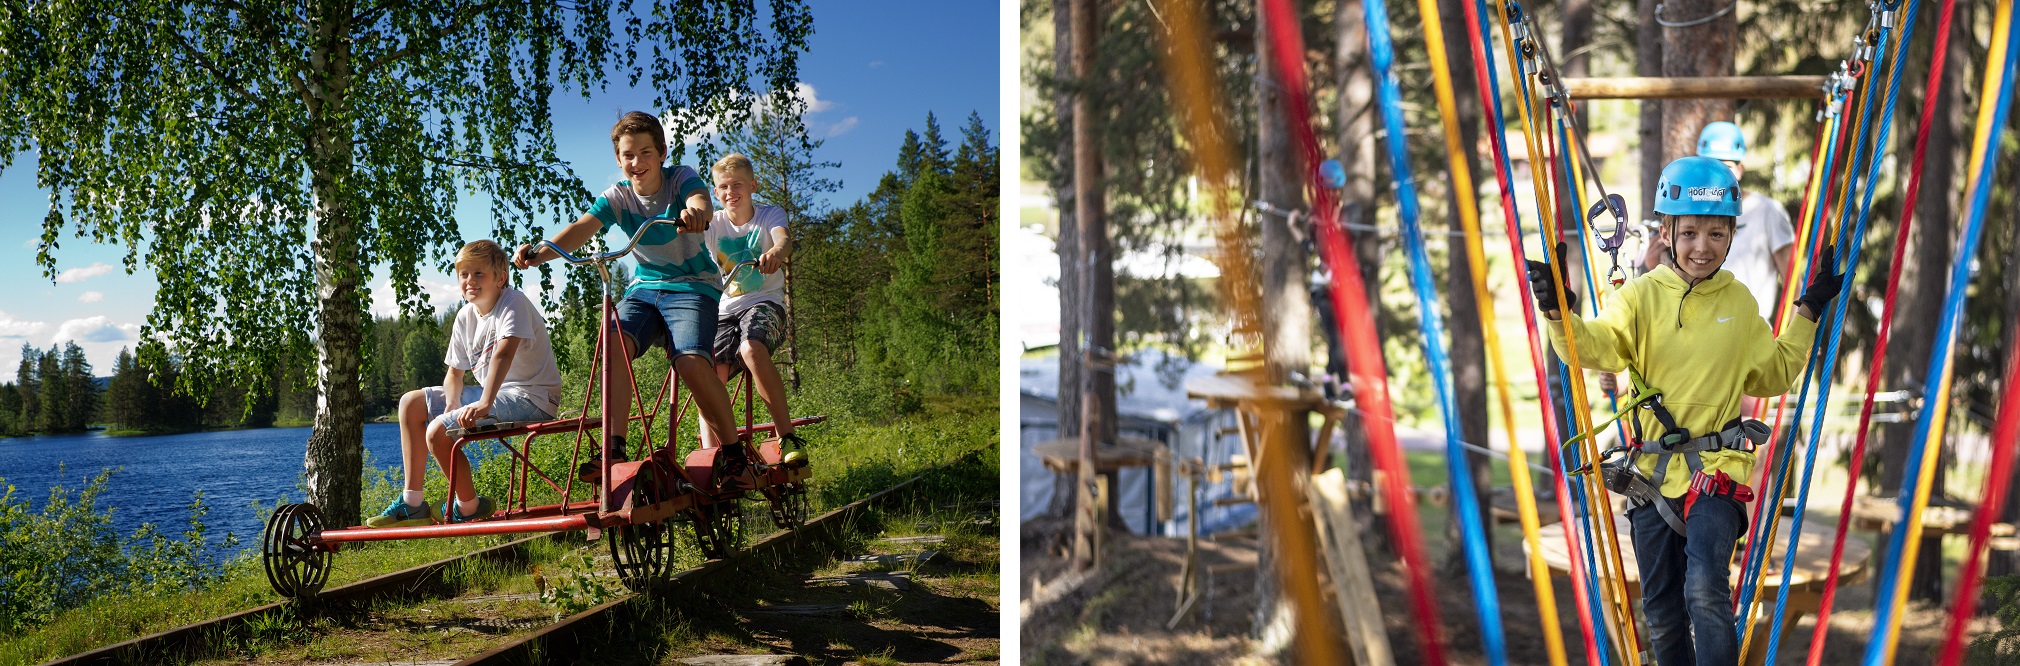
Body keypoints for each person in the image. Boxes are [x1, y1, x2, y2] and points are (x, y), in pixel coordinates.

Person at [1526, 156, 1841, 666]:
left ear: (1732, 235)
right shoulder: (1640, 298)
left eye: (1717, 234)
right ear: (1667, 231)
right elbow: (1594, 347)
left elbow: (1776, 371)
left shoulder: (1738, 304)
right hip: (1651, 476)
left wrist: (1808, 309)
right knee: (1663, 613)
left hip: (1716, 473)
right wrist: (1559, 311)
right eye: (1689, 232)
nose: (1702, 247)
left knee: (1705, 593)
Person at [513, 111, 746, 487]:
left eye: (645, 152)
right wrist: (541, 252)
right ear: (618, 160)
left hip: (692, 286)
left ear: (662, 152)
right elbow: (580, 230)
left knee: (689, 362)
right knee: (613, 340)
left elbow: (700, 198)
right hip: (645, 289)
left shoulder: (679, 179)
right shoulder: (617, 197)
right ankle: (615, 446)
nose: (637, 162)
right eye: (628, 155)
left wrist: (697, 214)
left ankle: (735, 453)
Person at [367, 240, 563, 527]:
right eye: (464, 274)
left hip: (532, 396)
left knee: (437, 432)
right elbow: (455, 373)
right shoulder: (465, 316)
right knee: (410, 403)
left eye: (478, 274)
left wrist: (483, 403)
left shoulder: (514, 302)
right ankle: (412, 503)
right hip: (495, 393)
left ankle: (469, 506)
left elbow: (503, 354)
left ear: (500, 278)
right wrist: (451, 404)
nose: (470, 281)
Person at [700, 153, 806, 466]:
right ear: (716, 193)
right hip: (724, 312)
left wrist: (775, 252)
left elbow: (783, 241)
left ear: (753, 185)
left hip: (765, 303)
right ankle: (713, 453)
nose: (730, 191)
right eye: (723, 187)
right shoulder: (713, 224)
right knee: (705, 371)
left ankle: (786, 436)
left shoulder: (769, 215)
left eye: (737, 185)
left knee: (751, 348)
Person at [1641, 121, 1797, 323]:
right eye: (1711, 164)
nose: (1718, 174)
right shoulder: (1686, 212)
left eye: (1726, 166)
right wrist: (1656, 266)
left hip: (1750, 330)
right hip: (1698, 328)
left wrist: (1795, 339)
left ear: (1740, 169)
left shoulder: (1767, 211)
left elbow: (1794, 282)